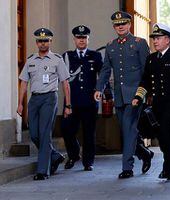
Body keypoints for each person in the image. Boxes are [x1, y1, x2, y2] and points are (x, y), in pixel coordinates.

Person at [94, 11, 154, 179]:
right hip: (119, 95)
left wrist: (147, 93)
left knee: (128, 129)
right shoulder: (111, 45)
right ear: (114, 27)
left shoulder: (139, 43)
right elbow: (106, 70)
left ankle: (127, 167)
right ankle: (144, 153)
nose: (120, 27)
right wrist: (99, 88)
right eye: (117, 25)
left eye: (123, 24)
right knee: (127, 130)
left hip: (136, 94)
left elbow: (146, 70)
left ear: (129, 25)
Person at [132, 23, 170, 180]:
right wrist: (138, 97)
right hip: (157, 104)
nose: (155, 41)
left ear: (167, 39)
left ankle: (169, 168)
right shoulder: (151, 59)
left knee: (167, 133)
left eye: (158, 38)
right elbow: (145, 81)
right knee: (165, 138)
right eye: (154, 39)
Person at [17, 28, 71, 180]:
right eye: (40, 41)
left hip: (49, 98)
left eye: (46, 40)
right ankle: (54, 155)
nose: (43, 43)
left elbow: (65, 84)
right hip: (34, 99)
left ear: (50, 42)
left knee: (45, 133)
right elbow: (23, 83)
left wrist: (68, 105)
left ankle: (42, 171)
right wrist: (20, 103)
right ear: (36, 42)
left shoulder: (57, 59)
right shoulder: (30, 60)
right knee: (34, 133)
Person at [61, 25, 103, 171]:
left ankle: (88, 162)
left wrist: (105, 92)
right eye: (79, 38)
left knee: (89, 133)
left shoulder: (95, 56)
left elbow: (102, 76)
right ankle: (73, 155)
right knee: (66, 130)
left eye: (84, 37)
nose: (81, 40)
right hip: (71, 102)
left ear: (88, 39)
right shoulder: (66, 56)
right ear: (74, 39)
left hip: (89, 102)